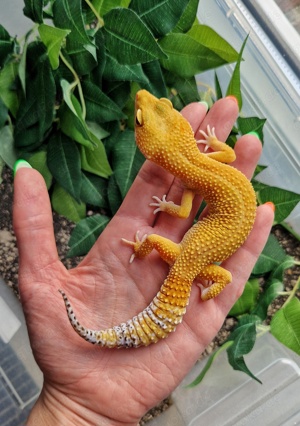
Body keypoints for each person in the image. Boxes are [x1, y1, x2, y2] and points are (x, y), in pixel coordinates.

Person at [13, 96, 274, 426]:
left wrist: (161, 219)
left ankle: (194, 275)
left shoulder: (193, 178)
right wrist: (212, 145)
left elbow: (188, 203)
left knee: (155, 241)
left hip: (195, 257)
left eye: (143, 116)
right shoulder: (201, 169)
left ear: (159, 150)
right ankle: (209, 280)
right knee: (164, 247)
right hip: (209, 249)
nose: (143, 100)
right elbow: (229, 157)